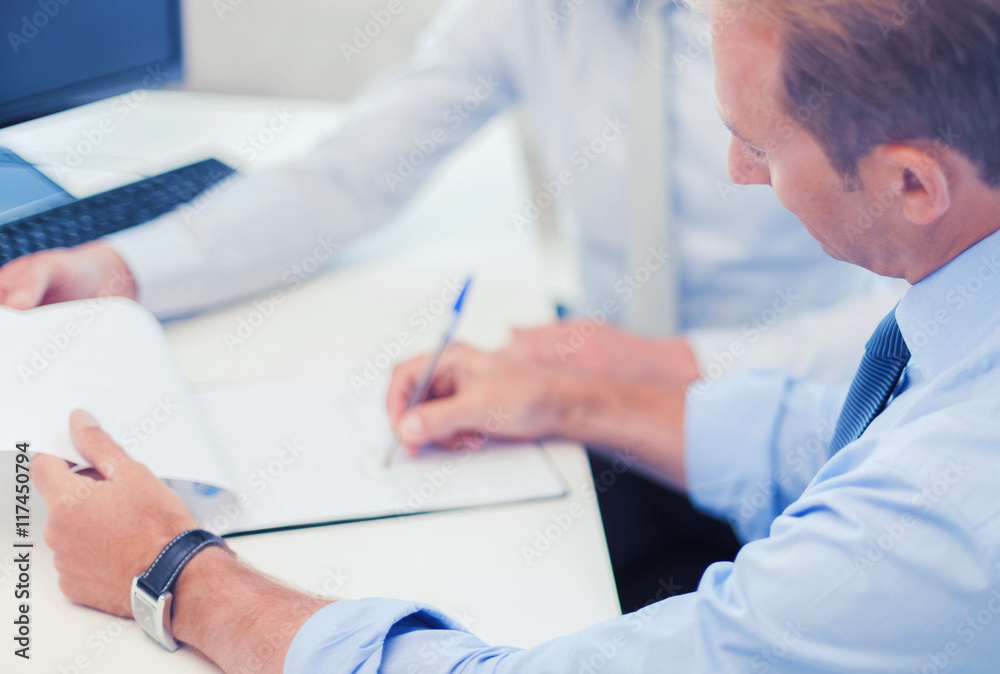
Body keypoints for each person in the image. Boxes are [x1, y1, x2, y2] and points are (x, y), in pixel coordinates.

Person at [32, 0, 1000, 670]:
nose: (738, 169)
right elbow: (833, 429)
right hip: (679, 415)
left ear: (912, 185)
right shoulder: (953, 320)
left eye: (759, 144)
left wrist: (177, 573)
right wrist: (573, 395)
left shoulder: (938, 512)